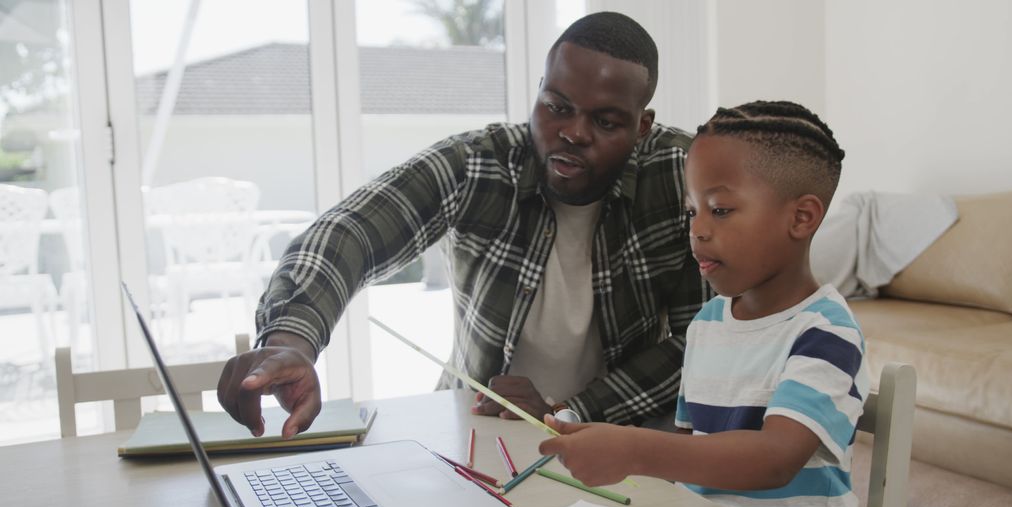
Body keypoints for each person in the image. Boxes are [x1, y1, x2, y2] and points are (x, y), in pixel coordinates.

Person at [217, 12, 709, 439]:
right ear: (539, 92)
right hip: (478, 431)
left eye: (605, 122)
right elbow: (349, 234)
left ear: (642, 127)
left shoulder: (683, 175)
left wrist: (571, 410)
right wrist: (289, 343)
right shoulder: (476, 165)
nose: (574, 133)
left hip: (620, 438)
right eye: (557, 107)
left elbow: (705, 340)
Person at [538, 101, 870, 507]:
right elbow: (691, 452)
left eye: (721, 210)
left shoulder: (824, 332)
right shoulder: (707, 324)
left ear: (801, 217)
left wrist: (633, 450)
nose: (697, 229)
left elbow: (775, 460)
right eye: (691, 211)